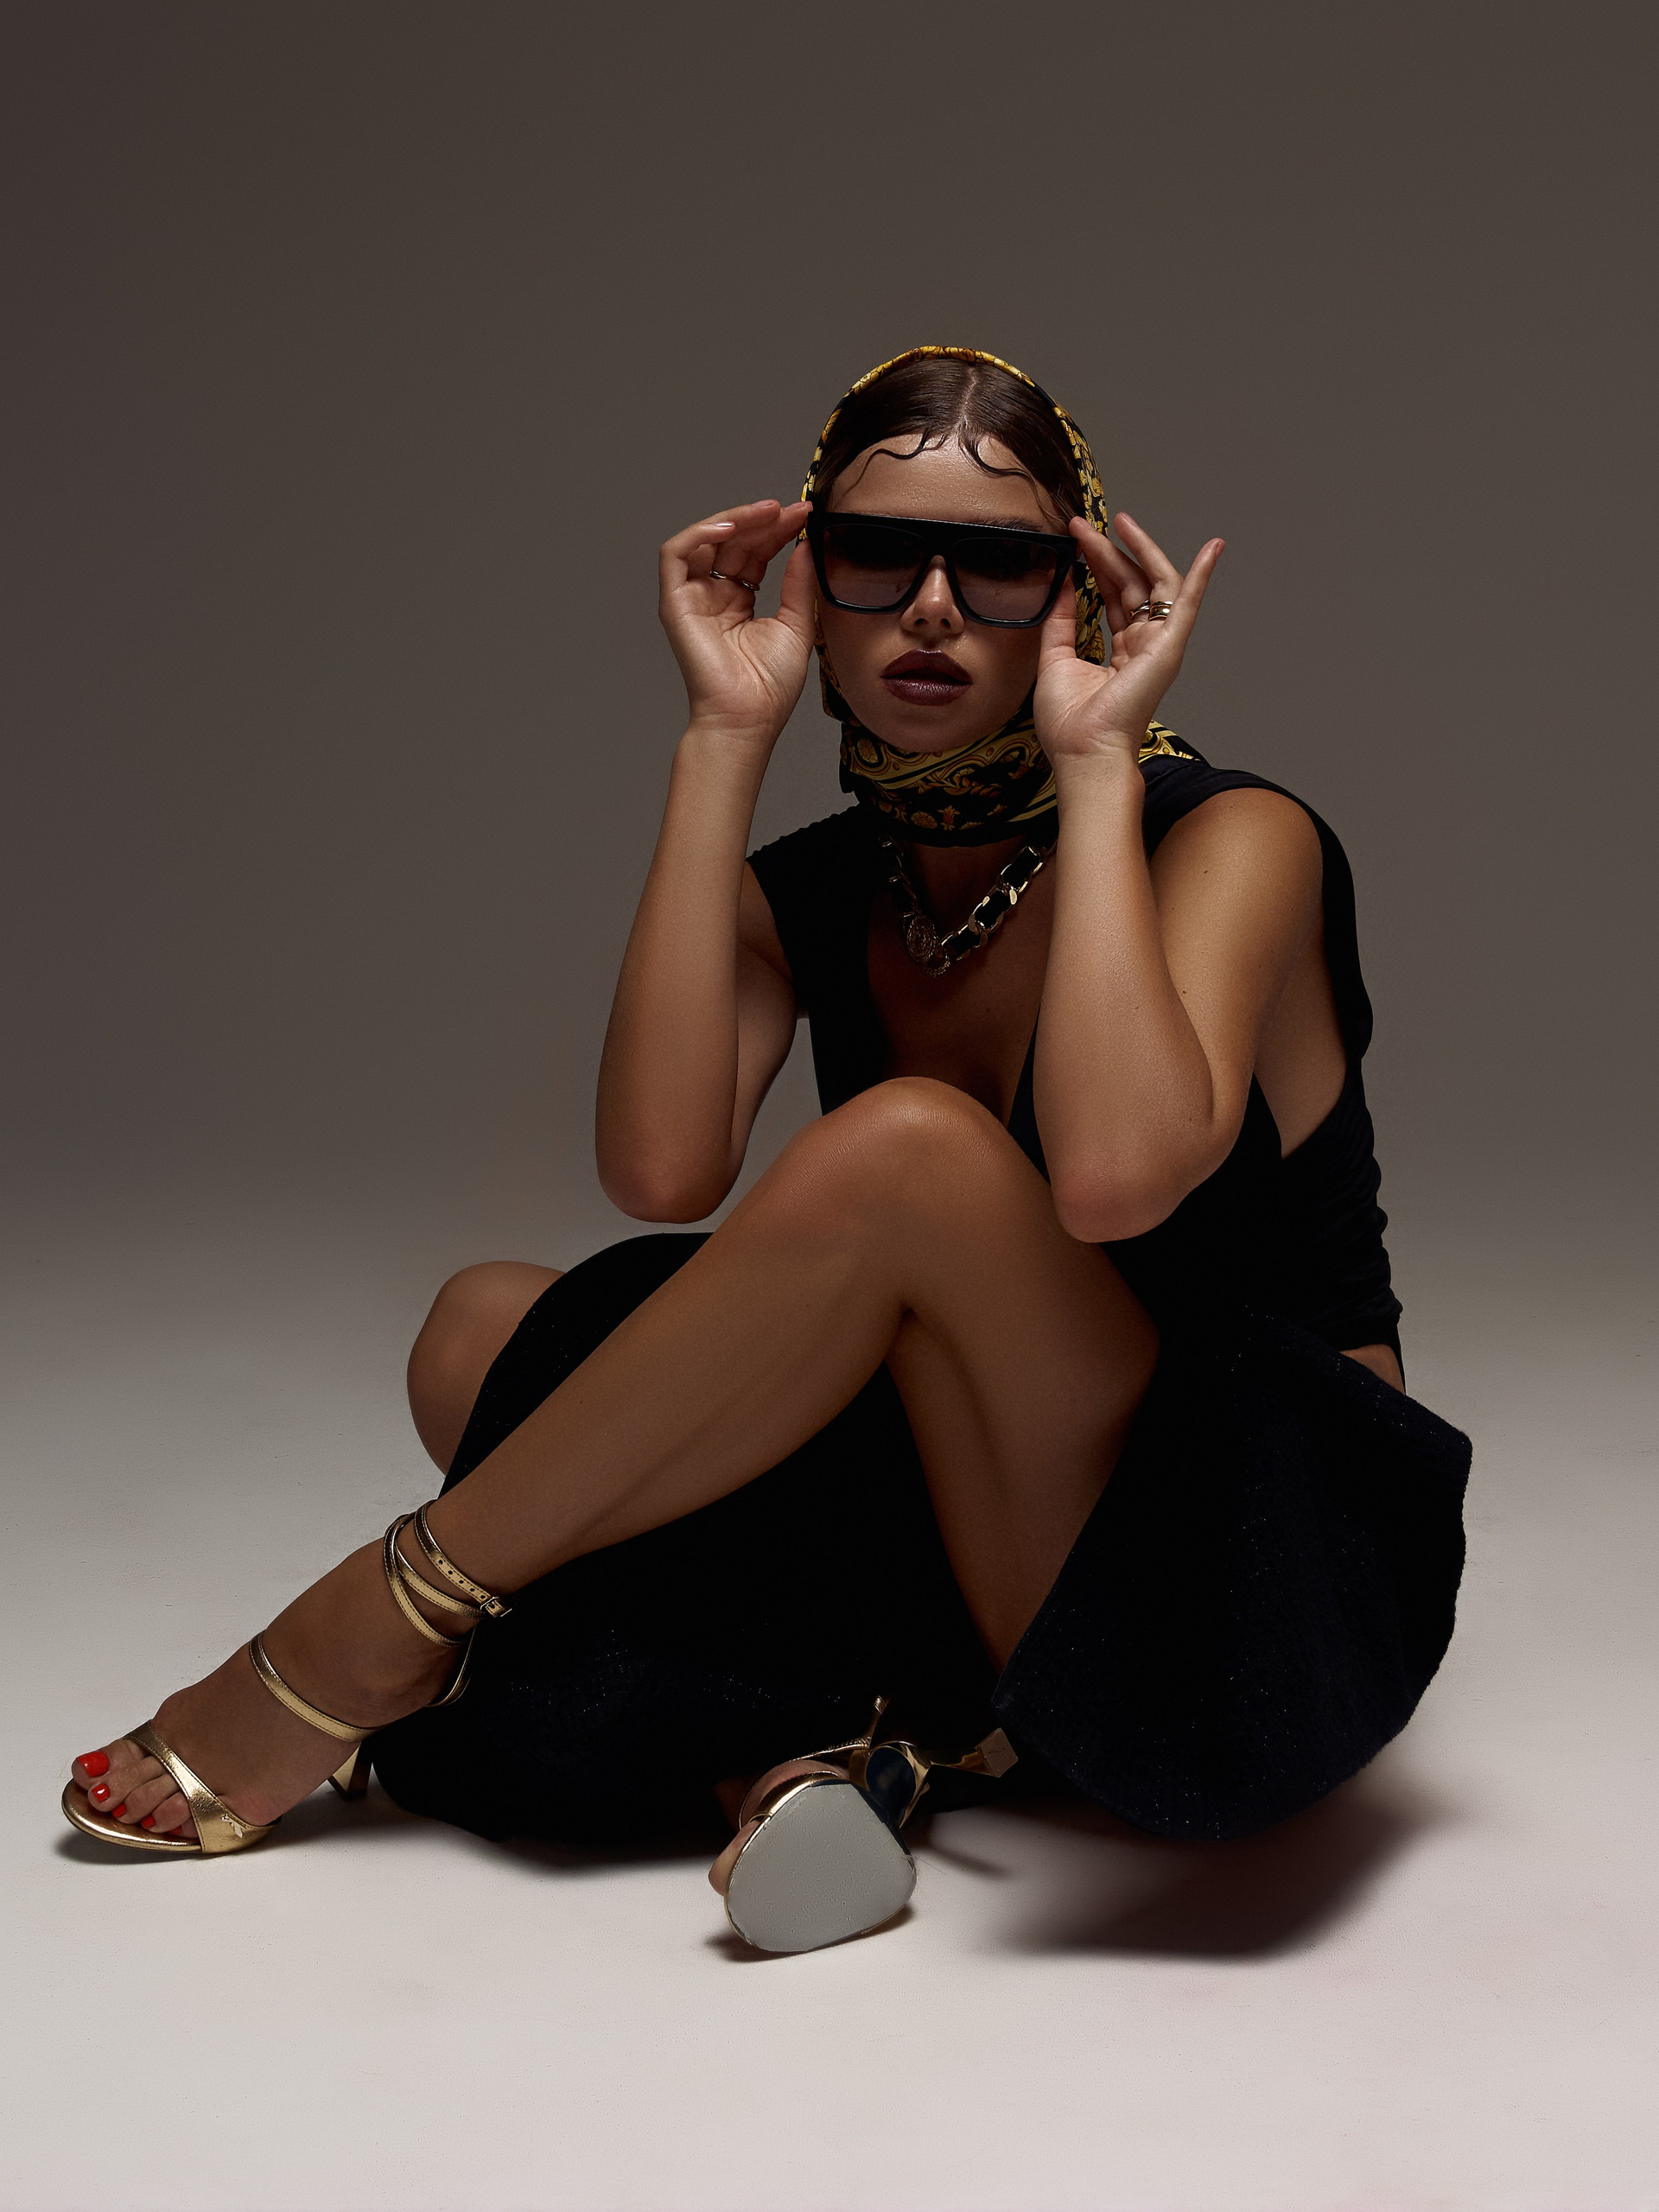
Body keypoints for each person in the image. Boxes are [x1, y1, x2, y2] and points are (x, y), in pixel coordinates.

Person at [62, 347, 1470, 1953]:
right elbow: (661, 1173)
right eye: (879, 555)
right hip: (974, 1514)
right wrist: (721, 738)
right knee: (485, 1331)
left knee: (910, 1155)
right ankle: (827, 1754)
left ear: (1074, 594)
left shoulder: (1234, 839)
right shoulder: (823, 883)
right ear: (814, 578)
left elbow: (1111, 1179)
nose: (932, 607)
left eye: (1000, 565)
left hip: (1252, 1572)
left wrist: (1093, 769)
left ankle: (368, 1631)